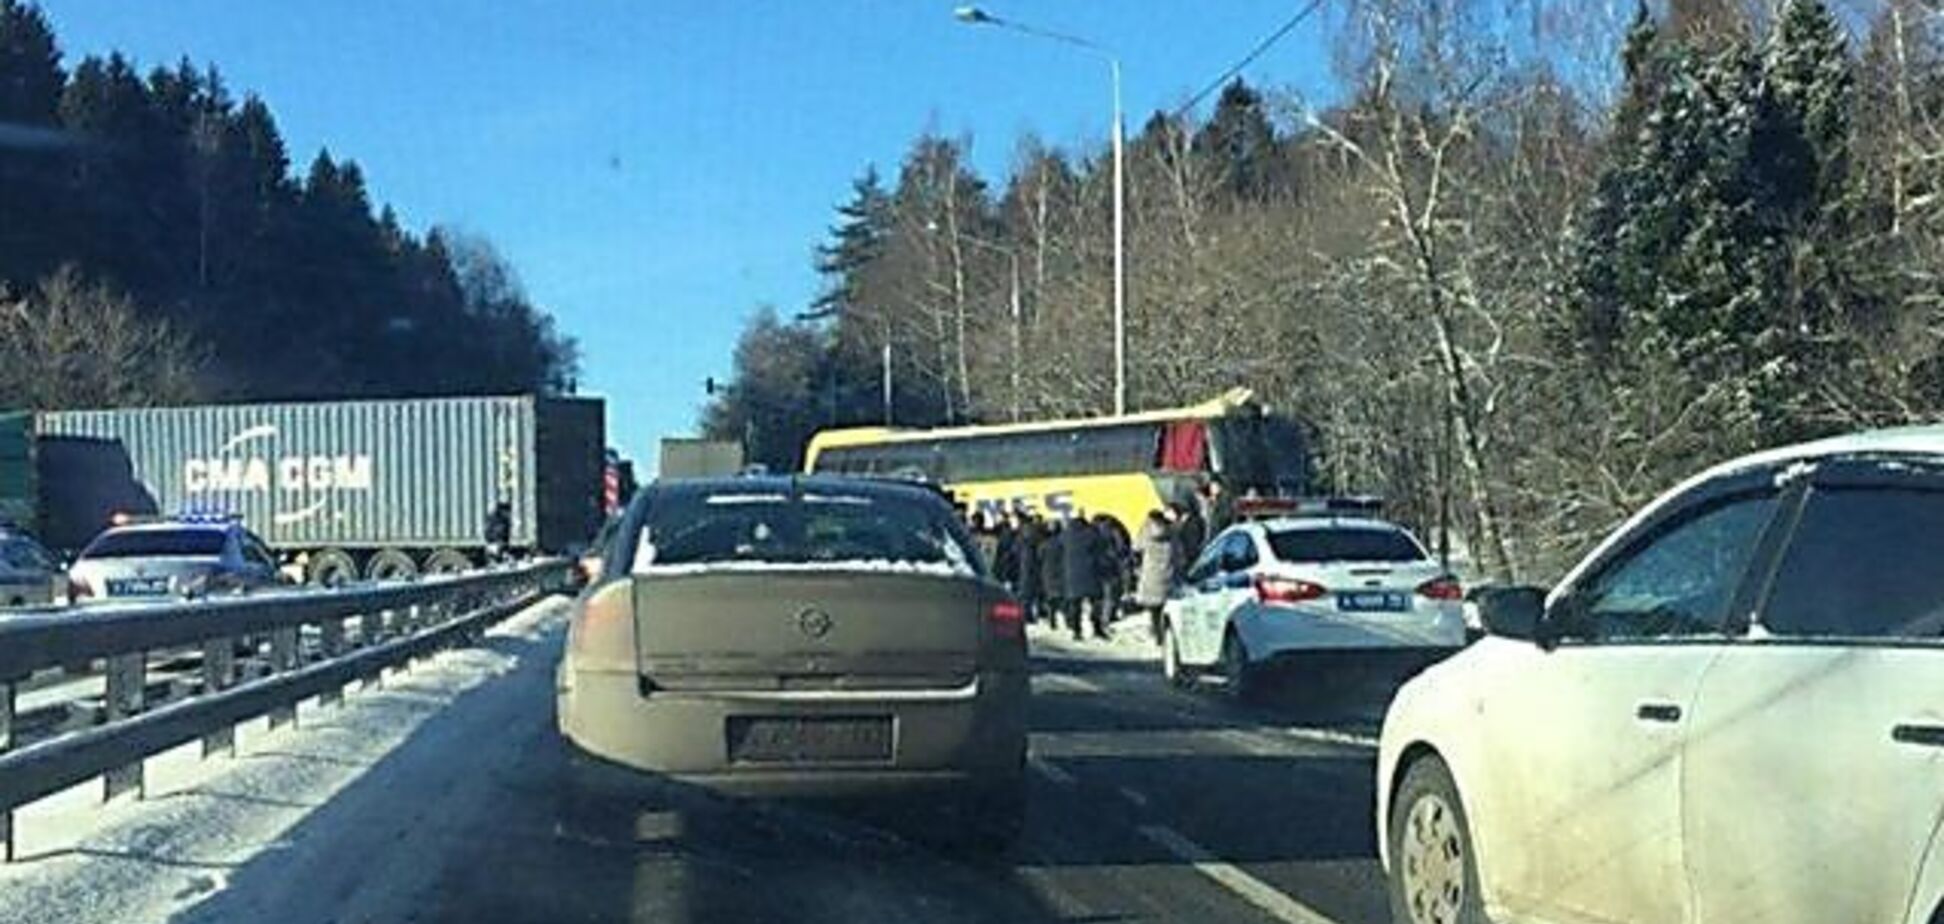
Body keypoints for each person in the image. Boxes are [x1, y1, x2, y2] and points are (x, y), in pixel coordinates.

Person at [1134, 509, 1179, 644]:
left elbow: (1137, 547)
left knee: (1154, 609)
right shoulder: (1171, 532)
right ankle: (1166, 634)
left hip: (1151, 575)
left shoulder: (1146, 531)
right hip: (1167, 574)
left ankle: (1157, 635)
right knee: (1166, 608)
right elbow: (1179, 553)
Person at [1061, 513, 1106, 641]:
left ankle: (1076, 630)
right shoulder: (1092, 535)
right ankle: (1097, 628)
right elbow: (1101, 550)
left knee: (1075, 605)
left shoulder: (1065, 536)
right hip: (1091, 573)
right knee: (1096, 602)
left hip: (1071, 575)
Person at [1092, 512, 1130, 636]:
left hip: (1096, 567)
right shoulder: (1113, 530)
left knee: (1098, 597)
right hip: (1110, 565)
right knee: (1110, 595)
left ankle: (1097, 620)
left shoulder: (1091, 532)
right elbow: (1121, 547)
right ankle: (1107, 619)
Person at [1037, 518, 1066, 634]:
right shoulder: (1062, 543)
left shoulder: (1044, 544)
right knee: (1061, 596)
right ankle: (1066, 619)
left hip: (1047, 571)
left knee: (1050, 598)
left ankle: (1052, 620)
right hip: (1060, 571)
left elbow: (1039, 556)